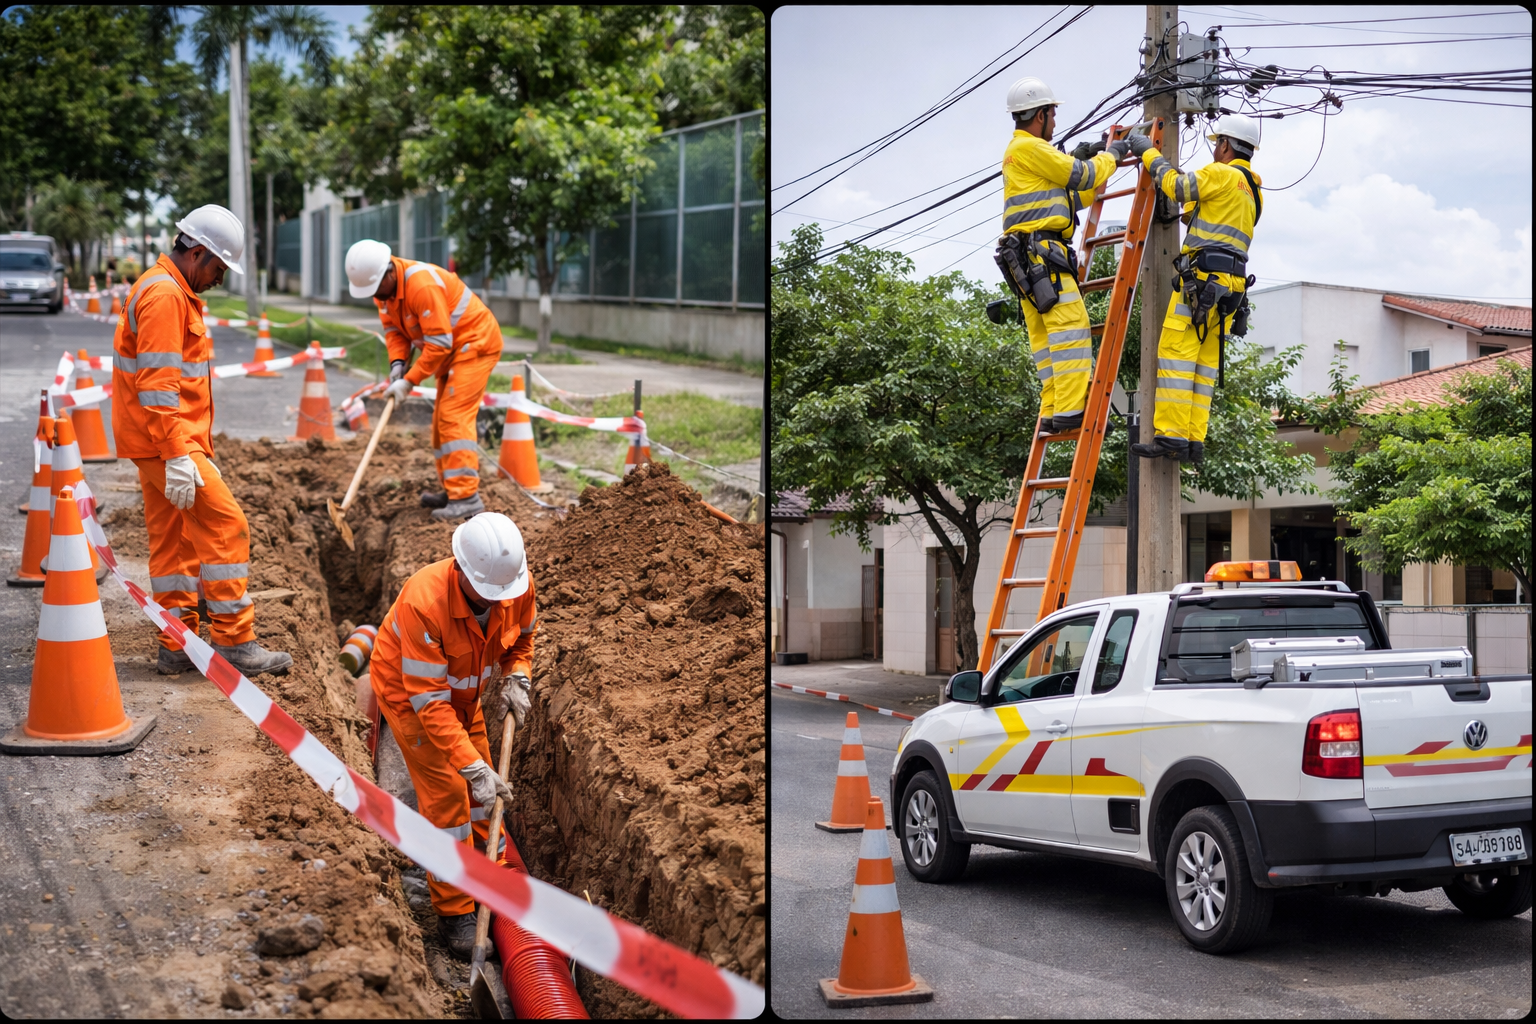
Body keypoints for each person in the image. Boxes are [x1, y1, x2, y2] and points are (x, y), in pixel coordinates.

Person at [111, 205, 293, 677]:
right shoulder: (165, 296)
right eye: (217, 267)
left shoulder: (163, 288)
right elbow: (158, 385)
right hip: (169, 442)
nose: (219, 279)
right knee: (227, 527)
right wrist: (176, 454)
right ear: (196, 253)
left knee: (173, 544)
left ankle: (177, 643)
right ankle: (234, 641)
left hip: (156, 441)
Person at [369, 512, 538, 959]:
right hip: (411, 698)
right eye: (486, 595)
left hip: (464, 693)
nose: (495, 601)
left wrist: (518, 676)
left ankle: (495, 872)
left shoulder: (510, 583)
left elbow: (522, 640)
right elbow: (429, 702)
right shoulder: (424, 603)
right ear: (460, 568)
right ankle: (455, 910)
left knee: (485, 794)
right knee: (448, 797)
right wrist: (471, 766)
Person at [1128, 113, 1264, 464]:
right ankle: (1192, 441)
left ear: (1225, 145)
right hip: (1229, 289)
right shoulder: (1253, 191)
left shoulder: (1219, 173)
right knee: (1203, 369)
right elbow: (1200, 214)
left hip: (1201, 282)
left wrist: (1148, 153)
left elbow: (1178, 187)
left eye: (1217, 143)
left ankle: (1170, 437)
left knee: (1176, 355)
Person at [998, 76, 1127, 435]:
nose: (1055, 123)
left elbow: (1073, 198)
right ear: (1040, 114)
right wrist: (1110, 156)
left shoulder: (1022, 153)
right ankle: (1071, 411)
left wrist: (1097, 166)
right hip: (1042, 256)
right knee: (1071, 330)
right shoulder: (1030, 148)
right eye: (1053, 115)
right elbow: (1080, 176)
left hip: (1028, 258)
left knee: (1046, 341)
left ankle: (1055, 409)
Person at [344, 239, 505, 520]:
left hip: (473, 344)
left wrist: (409, 380)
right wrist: (397, 365)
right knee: (441, 423)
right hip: (451, 349)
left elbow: (440, 343)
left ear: (389, 272)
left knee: (453, 418)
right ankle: (453, 490)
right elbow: (394, 330)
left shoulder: (421, 285)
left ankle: (466, 497)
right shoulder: (383, 292)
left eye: (377, 290)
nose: (377, 298)